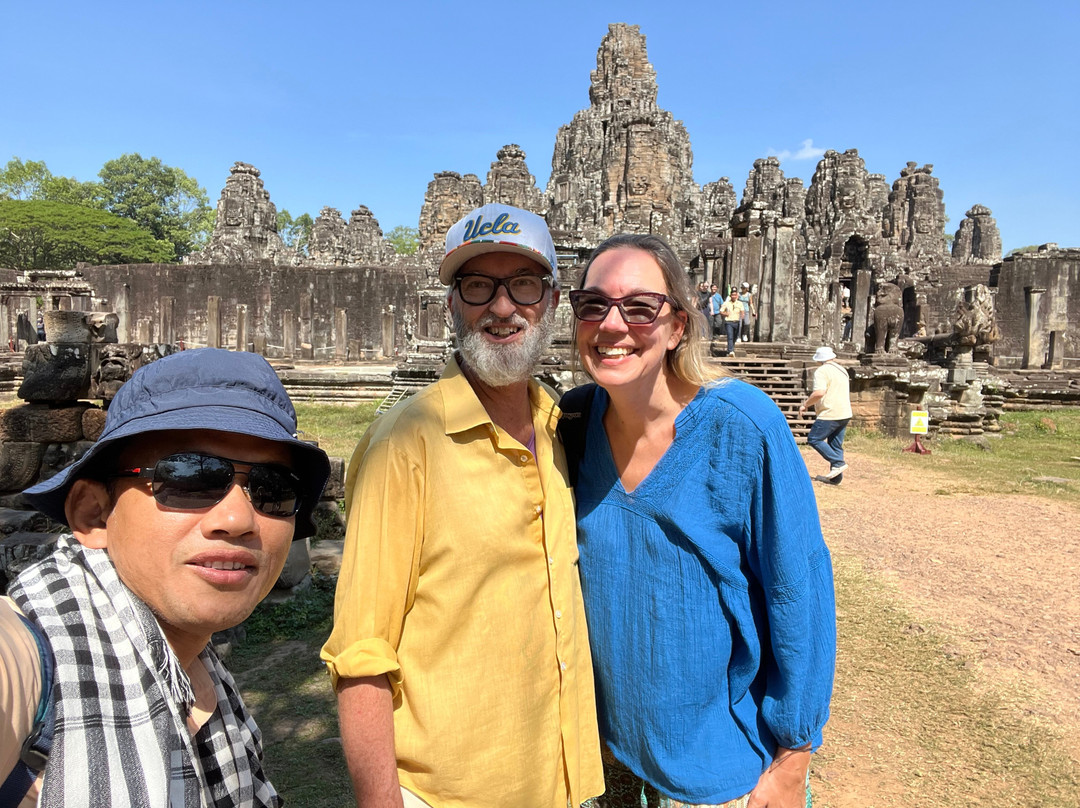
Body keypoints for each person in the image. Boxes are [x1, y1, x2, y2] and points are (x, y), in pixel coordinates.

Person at [321, 203, 603, 808]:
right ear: (452, 304)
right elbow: (361, 651)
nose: (501, 308)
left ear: (552, 301)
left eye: (523, 285)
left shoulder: (561, 425)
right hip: (447, 791)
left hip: (558, 780)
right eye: (478, 286)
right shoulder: (406, 442)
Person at [565, 233, 835, 808]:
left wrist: (794, 755)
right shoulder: (573, 421)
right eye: (592, 304)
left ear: (678, 327)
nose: (611, 325)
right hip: (601, 751)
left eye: (641, 308)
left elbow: (798, 588)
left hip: (716, 762)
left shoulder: (743, 426)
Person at [1, 348, 331, 808]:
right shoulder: (25, 660)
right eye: (189, 479)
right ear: (95, 514)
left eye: (272, 489)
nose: (237, 519)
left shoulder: (198, 672)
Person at [799, 346, 852, 483]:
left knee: (814, 438)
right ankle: (836, 478)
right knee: (835, 445)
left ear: (819, 359)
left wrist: (806, 404)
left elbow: (819, 392)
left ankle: (838, 462)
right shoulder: (842, 370)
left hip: (830, 412)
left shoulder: (822, 371)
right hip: (844, 412)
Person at [718, 288, 744, 356]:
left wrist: (742, 315)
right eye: (732, 295)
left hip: (736, 321)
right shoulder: (726, 303)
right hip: (729, 321)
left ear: (737, 296)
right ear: (730, 296)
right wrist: (725, 314)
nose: (734, 296)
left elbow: (742, 311)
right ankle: (731, 351)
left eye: (735, 295)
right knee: (730, 336)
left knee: (735, 337)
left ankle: (730, 348)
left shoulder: (740, 303)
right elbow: (721, 311)